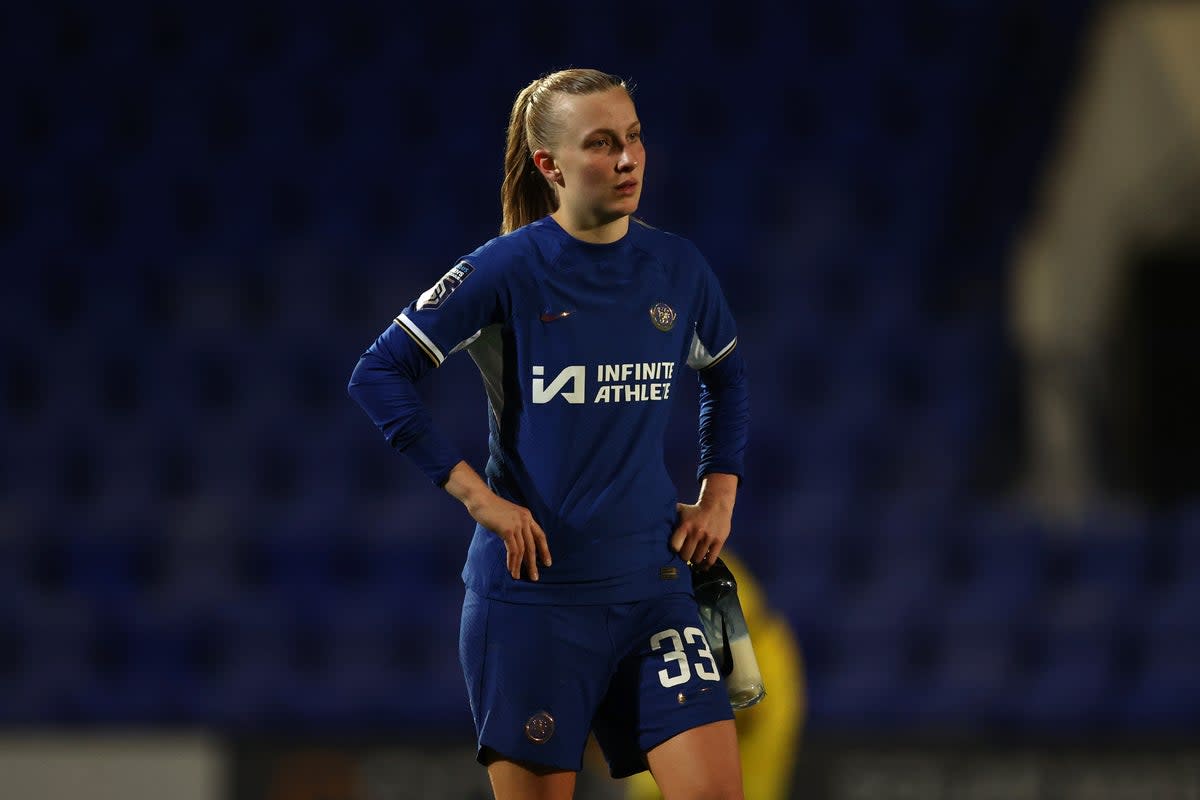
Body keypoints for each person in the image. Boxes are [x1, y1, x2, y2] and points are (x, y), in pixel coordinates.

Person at [347, 68, 750, 800]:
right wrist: (478, 499)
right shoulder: (506, 269)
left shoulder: (678, 268)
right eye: (601, 144)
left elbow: (726, 376)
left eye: (633, 138)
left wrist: (719, 490)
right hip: (533, 605)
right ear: (549, 164)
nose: (628, 159)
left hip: (652, 590)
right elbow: (378, 372)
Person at [621, 550, 807, 800]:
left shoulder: (691, 552)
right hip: (674, 664)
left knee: (745, 787)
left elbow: (738, 670)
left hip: (746, 655)